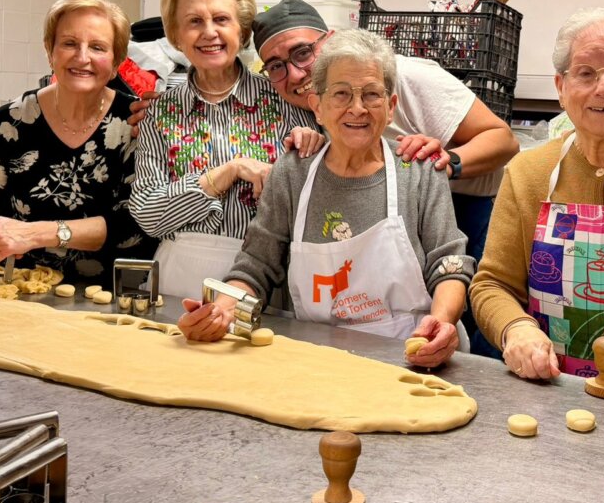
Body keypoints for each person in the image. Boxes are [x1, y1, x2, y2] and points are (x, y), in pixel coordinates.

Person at [178, 30, 474, 368]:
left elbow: (449, 264)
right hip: (315, 357)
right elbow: (256, 265)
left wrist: (442, 322)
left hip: (409, 353)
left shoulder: (419, 170)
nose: (358, 109)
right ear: (317, 106)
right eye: (342, 94)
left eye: (372, 95)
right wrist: (221, 310)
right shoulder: (293, 173)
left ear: (390, 107)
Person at [469, 8, 604, 385]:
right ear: (560, 85)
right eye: (586, 73)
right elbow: (492, 285)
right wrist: (516, 328)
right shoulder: (527, 173)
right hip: (548, 386)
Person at [251, 0, 519, 260]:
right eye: (276, 66)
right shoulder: (305, 104)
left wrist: (443, 167)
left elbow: (503, 139)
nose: (296, 74)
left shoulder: (405, 77)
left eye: (303, 53)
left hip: (465, 212)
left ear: (330, 41)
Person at [130, 0, 316, 293]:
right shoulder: (160, 112)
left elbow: (314, 201)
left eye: (221, 19)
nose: (209, 32)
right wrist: (227, 172)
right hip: (177, 278)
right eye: (194, 22)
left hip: (268, 275)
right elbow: (147, 213)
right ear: (176, 35)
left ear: (242, 31)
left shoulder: (284, 97)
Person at [0, 0, 152, 281]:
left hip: (111, 296)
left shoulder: (137, 122)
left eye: (98, 47)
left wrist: (34, 234)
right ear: (50, 51)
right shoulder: (9, 122)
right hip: (19, 290)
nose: (82, 57)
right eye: (69, 43)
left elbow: (134, 224)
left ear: (116, 62)